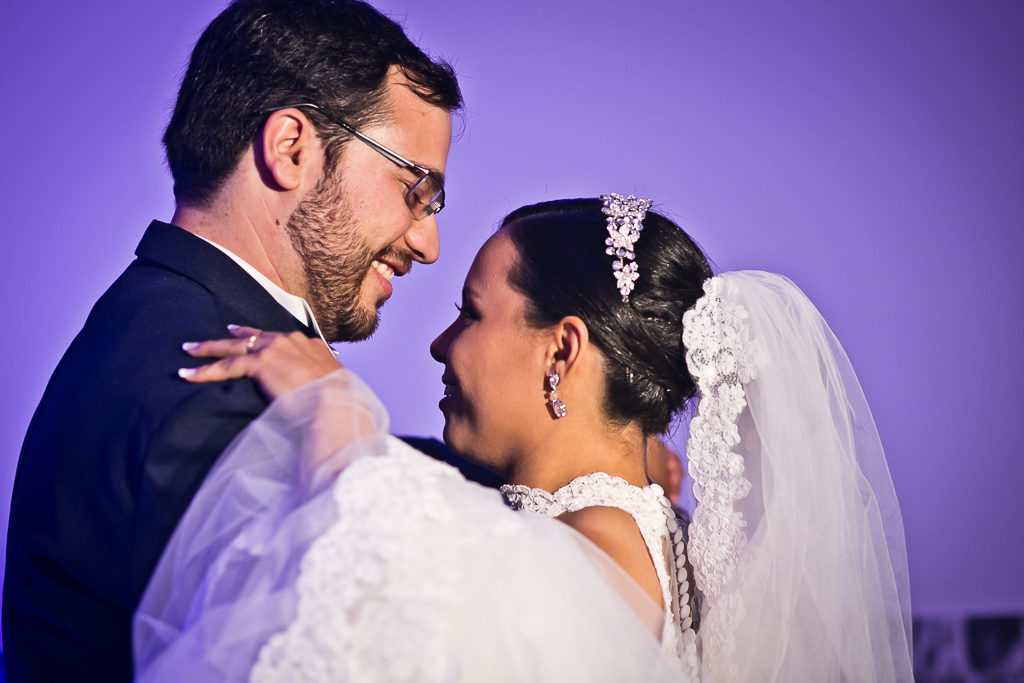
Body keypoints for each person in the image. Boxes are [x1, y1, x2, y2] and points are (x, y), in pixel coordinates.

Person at [134, 196, 914, 681]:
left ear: (562, 350)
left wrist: (338, 426)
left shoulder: (601, 544)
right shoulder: (635, 528)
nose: (441, 345)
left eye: (471, 313)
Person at [2, 1, 473, 679]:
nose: (427, 243)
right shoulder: (217, 383)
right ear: (292, 148)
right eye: (416, 188)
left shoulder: (156, 320)